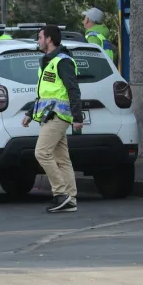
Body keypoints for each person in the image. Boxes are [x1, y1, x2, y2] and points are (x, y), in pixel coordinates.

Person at [23, 25, 82, 213]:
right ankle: (70, 200)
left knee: (41, 153)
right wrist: (30, 113)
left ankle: (61, 194)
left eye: (40, 37)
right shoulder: (48, 61)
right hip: (50, 115)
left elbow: (73, 89)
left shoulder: (62, 61)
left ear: (49, 39)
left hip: (58, 116)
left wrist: (77, 116)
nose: (38, 41)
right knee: (62, 159)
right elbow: (45, 94)